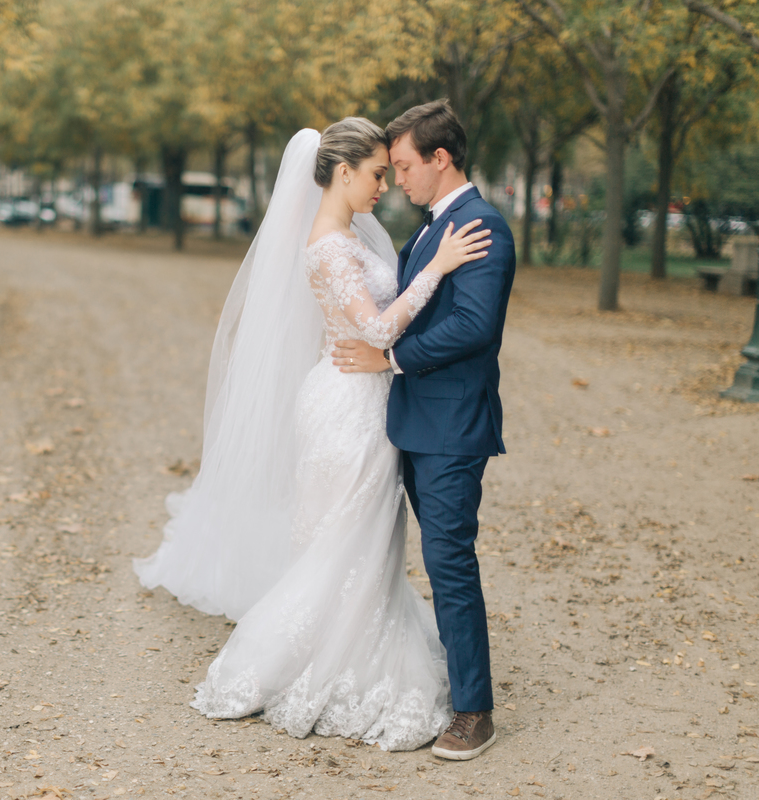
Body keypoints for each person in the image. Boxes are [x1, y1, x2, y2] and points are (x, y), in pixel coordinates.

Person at [134, 115, 493, 751]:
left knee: (364, 538)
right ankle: (307, 661)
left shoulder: (350, 235)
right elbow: (378, 332)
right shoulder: (328, 245)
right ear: (344, 171)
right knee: (339, 539)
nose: (385, 184)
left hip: (369, 398)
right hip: (348, 403)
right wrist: (436, 266)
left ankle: (359, 642)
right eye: (378, 173)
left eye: (392, 171)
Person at [332, 100, 516, 759]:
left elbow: (475, 328)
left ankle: (474, 711)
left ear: (442, 159)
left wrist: (391, 358)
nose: (397, 179)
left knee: (449, 563)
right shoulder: (433, 226)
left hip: (452, 429)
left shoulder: (482, 226)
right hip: (409, 421)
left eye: (405, 165)